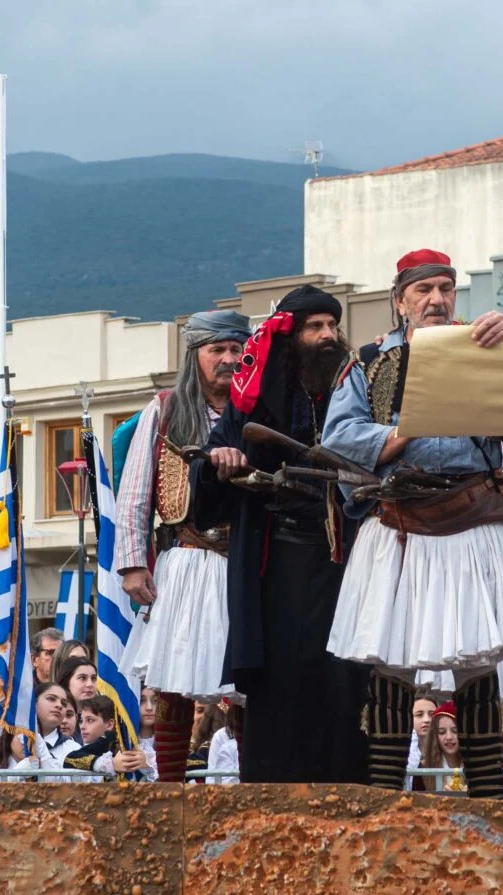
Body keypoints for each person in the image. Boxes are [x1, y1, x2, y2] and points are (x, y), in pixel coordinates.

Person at [322, 248, 503, 798]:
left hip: (474, 522)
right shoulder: (368, 361)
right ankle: (387, 803)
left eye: (445, 288)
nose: (437, 299)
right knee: (392, 670)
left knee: (478, 668)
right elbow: (338, 436)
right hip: (399, 526)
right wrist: (402, 434)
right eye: (423, 290)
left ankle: (488, 802)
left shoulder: (487, 346)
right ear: (400, 301)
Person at [193, 284, 370, 784]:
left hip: (346, 562)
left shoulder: (354, 388)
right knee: (283, 687)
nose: (328, 335)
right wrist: (222, 461)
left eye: (332, 326)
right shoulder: (254, 400)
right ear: (291, 336)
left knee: (346, 683)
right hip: (279, 569)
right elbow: (207, 475)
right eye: (315, 326)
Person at [116, 309, 252, 783]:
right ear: (195, 355)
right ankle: (170, 787)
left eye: (236, 349)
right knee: (173, 682)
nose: (228, 359)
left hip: (245, 560)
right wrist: (132, 564)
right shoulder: (165, 410)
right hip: (187, 557)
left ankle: (253, 788)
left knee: (247, 683)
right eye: (217, 350)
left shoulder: (258, 409)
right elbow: (135, 493)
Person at [416, 702, 466, 793]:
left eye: (455, 731)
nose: (449, 737)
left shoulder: (476, 766)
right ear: (435, 736)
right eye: (442, 732)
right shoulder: (423, 768)